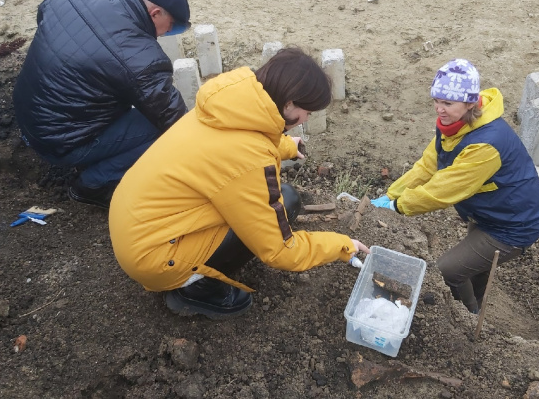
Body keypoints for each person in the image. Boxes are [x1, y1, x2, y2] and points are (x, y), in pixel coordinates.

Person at [109, 48, 370, 320]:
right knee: (286, 203)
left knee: (278, 199)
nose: (306, 119)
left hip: (134, 225)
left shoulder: (226, 106)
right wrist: (341, 246)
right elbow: (280, 251)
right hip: (155, 257)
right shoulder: (249, 158)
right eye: (308, 112)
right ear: (289, 104)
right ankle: (195, 289)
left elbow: (238, 144)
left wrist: (286, 147)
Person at [371, 59, 539, 314]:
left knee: (448, 271)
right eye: (436, 100)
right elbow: (428, 166)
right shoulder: (453, 126)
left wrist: (398, 206)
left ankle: (468, 317)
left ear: (470, 103)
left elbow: (443, 191)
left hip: (513, 225)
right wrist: (390, 195)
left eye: (447, 103)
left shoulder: (487, 144)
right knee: (474, 269)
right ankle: (475, 307)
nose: (439, 109)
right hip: (489, 213)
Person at [13, 0, 192, 209]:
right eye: (171, 26)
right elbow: (174, 120)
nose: (168, 32)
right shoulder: (141, 56)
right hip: (57, 142)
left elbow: (43, 14)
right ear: (155, 13)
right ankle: (92, 185)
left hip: (28, 116)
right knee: (157, 130)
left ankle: (93, 151)